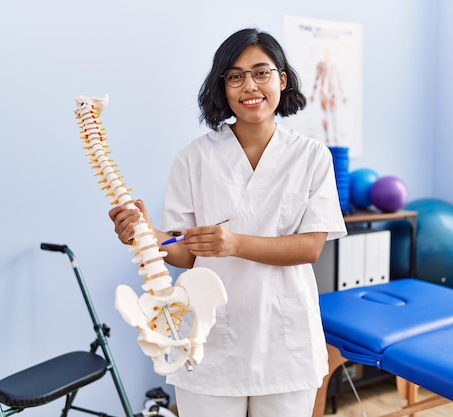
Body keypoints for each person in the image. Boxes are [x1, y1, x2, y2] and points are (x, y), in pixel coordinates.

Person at [108, 28, 347, 417]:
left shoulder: (311, 157)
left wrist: (234, 244)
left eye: (261, 72)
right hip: (211, 338)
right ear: (223, 88)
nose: (249, 85)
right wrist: (147, 236)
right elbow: (182, 251)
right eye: (235, 76)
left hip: (284, 341)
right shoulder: (194, 158)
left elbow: (310, 247)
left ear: (282, 79)